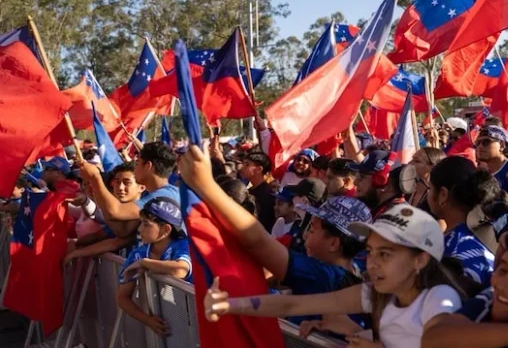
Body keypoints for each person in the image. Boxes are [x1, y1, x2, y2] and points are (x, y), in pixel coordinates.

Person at [204, 204, 465, 348]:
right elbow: (292, 304)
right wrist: (229, 304)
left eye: (385, 254)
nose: (372, 264)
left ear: (420, 260)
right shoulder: (376, 293)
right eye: (371, 252)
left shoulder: (440, 298)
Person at [177, 145, 372, 326]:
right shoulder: (357, 273)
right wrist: (230, 305)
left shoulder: (326, 275)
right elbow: (288, 304)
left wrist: (206, 187)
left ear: (333, 243)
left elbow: (259, 242)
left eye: (312, 230)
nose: (305, 236)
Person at [116, 198, 191, 337]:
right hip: (168, 326)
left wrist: (145, 263)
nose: (139, 229)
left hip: (193, 321)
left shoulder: (183, 245)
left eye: (146, 224)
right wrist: (148, 320)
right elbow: (122, 297)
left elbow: (181, 269)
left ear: (166, 229)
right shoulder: (138, 253)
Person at [79, 142, 180, 240]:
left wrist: (95, 177)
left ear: (147, 166)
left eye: (137, 163)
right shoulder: (153, 195)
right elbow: (123, 231)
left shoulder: (164, 197)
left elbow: (115, 212)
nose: (134, 169)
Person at [427, 156, 498, 287]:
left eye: (430, 188)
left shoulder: (447, 251)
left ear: (443, 195)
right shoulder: (481, 240)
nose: (428, 194)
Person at [475, 126, 508, 220]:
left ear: (502, 145)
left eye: (486, 142)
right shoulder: (482, 174)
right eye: (477, 143)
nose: (480, 147)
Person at [351, 150, 405, 218]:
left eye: (362, 177)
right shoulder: (385, 209)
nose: (355, 182)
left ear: (383, 183)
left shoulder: (394, 218)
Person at [240, 150, 276, 232]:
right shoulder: (248, 190)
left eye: (247, 165)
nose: (242, 168)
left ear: (259, 169)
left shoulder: (267, 195)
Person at [409, 147, 446, 214]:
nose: (409, 163)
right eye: (412, 159)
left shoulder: (439, 197)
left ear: (433, 166)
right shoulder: (407, 188)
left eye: (416, 161)